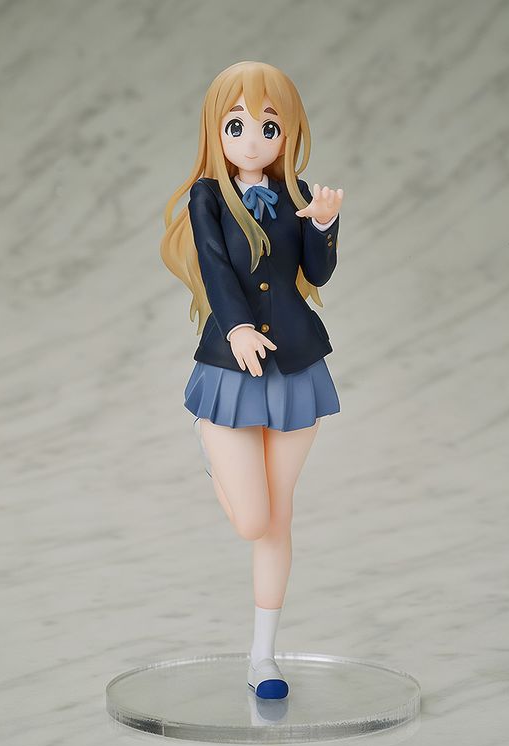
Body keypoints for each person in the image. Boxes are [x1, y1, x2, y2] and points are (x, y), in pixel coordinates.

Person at [160, 61, 344, 699]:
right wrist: (235, 325)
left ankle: (262, 657)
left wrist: (323, 225)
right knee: (251, 520)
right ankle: (213, 453)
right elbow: (214, 264)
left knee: (277, 519)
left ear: (288, 132)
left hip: (296, 365)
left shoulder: (298, 193)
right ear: (216, 131)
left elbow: (316, 273)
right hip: (231, 367)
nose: (253, 139)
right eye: (236, 125)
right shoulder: (208, 196)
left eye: (269, 125)